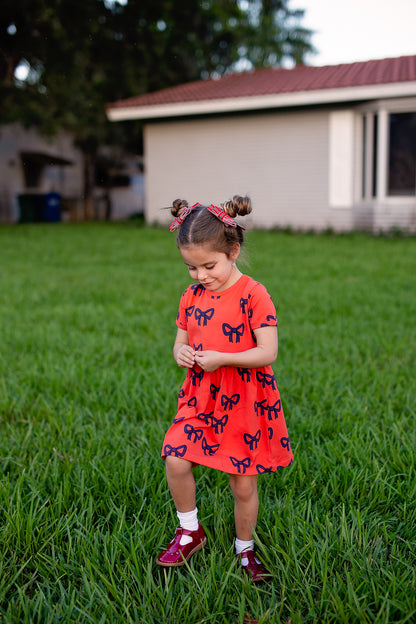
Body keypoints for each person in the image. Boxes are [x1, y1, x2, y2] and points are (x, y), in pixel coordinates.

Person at [157, 195, 293, 582]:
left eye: (208, 265)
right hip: (201, 397)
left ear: (233, 251)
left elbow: (268, 352)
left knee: (243, 484)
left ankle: (245, 550)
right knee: (176, 457)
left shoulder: (253, 294)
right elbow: (179, 342)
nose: (200, 275)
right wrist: (182, 353)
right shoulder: (191, 296)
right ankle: (190, 530)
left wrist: (222, 358)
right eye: (190, 267)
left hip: (244, 402)